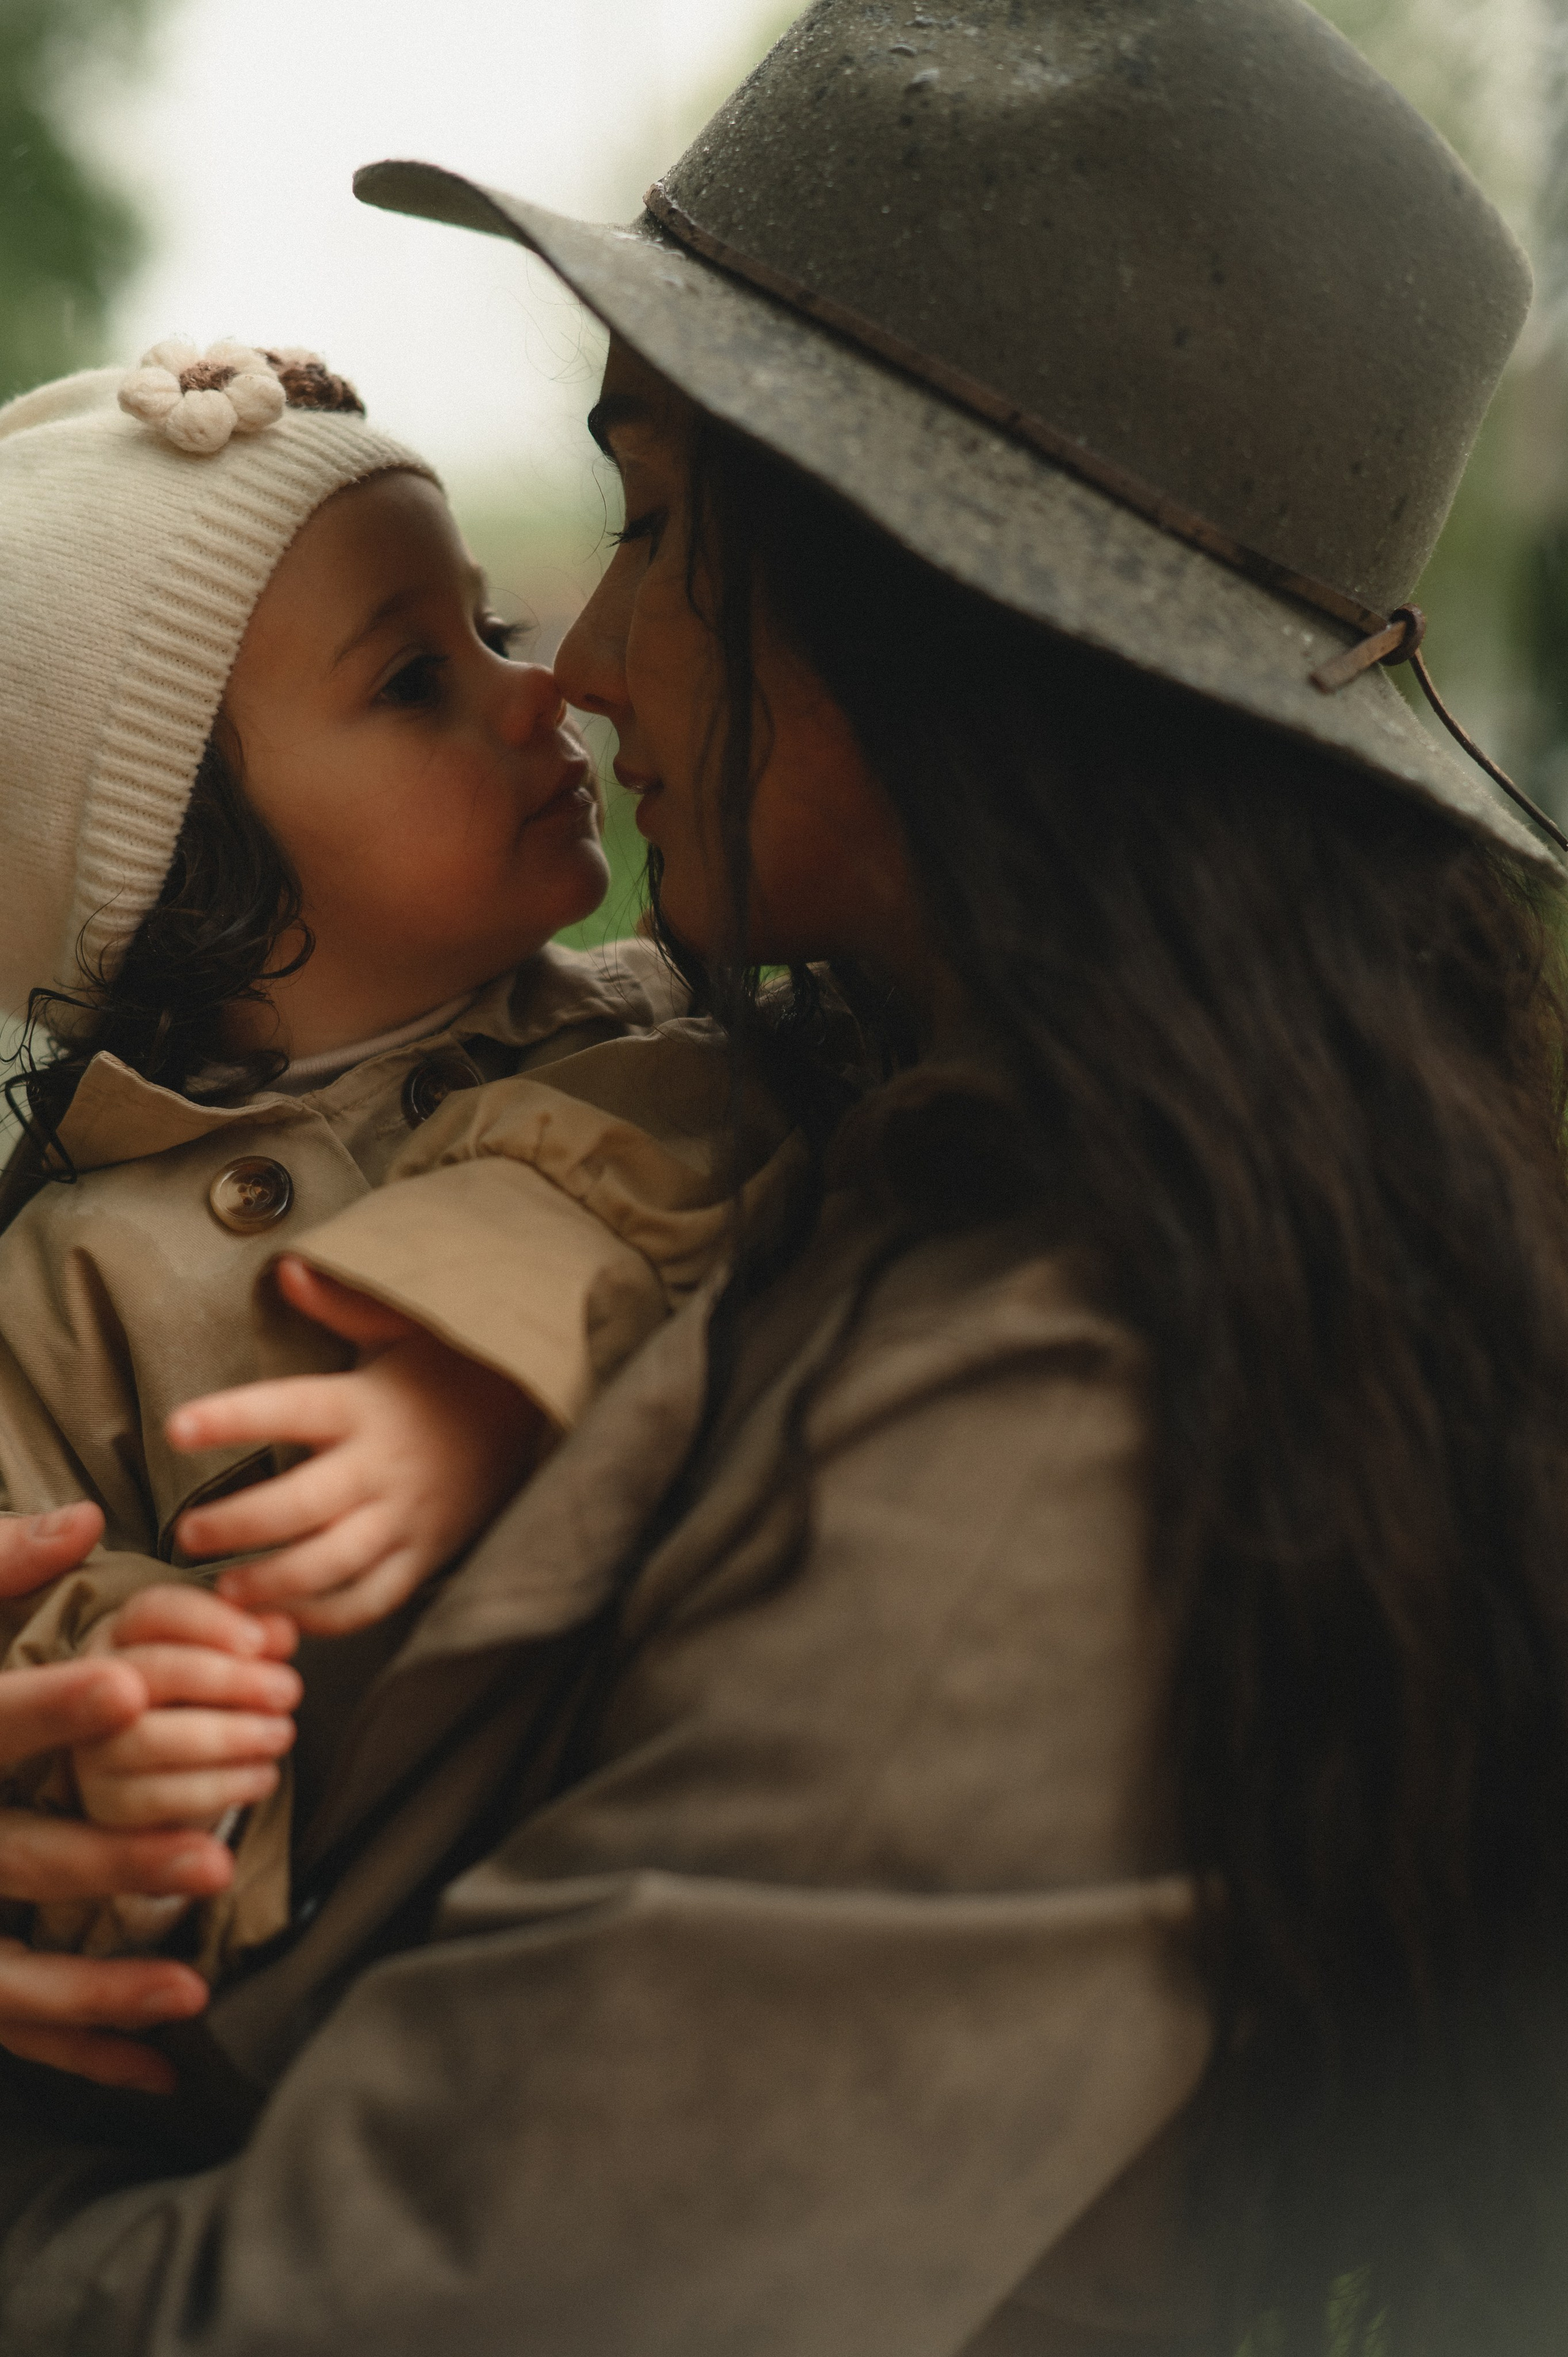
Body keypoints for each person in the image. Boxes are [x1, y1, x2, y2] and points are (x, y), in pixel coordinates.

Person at [0, 2, 1566, 2350]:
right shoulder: (876, 1122)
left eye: (644, 529)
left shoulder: (1053, 1447)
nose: (588, 664)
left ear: (930, 635)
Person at [0, 347, 799, 1975]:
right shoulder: (65, 1281)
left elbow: (688, 1151)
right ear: (185, 875)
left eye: (490, 627)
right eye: (414, 681)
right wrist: (124, 1703)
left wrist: (473, 1361)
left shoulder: (667, 1046)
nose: (548, 686)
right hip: (354, 2025)